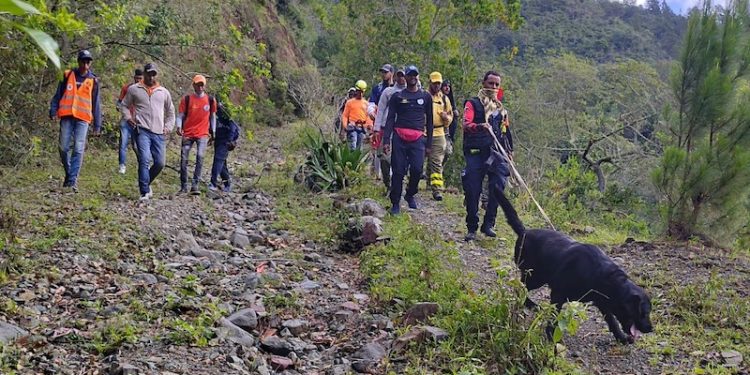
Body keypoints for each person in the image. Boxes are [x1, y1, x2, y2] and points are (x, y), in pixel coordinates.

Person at [462, 70, 513, 241]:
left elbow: (506, 132)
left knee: (498, 187)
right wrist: (480, 126)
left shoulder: (501, 109)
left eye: (497, 84)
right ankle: (471, 227)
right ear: (484, 83)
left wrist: (510, 153)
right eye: (491, 83)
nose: (493, 87)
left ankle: (489, 224)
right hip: (476, 151)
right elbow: (466, 124)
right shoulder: (472, 103)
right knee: (472, 189)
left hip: (497, 153)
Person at [120, 63, 176, 201]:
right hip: (142, 130)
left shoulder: (163, 92)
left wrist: (168, 126)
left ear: (156, 75)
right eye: (149, 73)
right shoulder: (134, 89)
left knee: (160, 163)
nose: (151, 76)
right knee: (144, 159)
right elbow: (124, 105)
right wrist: (128, 118)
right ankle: (144, 191)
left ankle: (146, 182)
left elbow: (171, 112)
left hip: (159, 132)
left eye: (154, 74)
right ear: (144, 74)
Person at [48, 50, 102, 192]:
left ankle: (72, 181)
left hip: (83, 119)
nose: (85, 64)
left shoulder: (93, 81)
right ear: (78, 62)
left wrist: (97, 124)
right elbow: (58, 94)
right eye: (83, 61)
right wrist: (53, 110)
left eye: (88, 62)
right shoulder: (67, 75)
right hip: (66, 116)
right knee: (63, 148)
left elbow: (96, 103)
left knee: (78, 148)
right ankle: (69, 173)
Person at [383, 65, 433, 214]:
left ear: (418, 77)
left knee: (417, 169)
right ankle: (395, 203)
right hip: (399, 137)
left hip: (418, 138)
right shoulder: (397, 96)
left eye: (415, 75)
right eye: (409, 75)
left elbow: (430, 121)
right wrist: (386, 140)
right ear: (405, 77)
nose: (412, 77)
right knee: (398, 171)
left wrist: (429, 144)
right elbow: (390, 119)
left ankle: (410, 194)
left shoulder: (425, 97)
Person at [176, 74, 217, 194]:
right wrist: (178, 126)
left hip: (202, 134)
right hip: (188, 133)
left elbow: (213, 117)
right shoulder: (187, 99)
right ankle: (184, 186)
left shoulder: (210, 100)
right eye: (197, 84)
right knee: (183, 159)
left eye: (201, 85)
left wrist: (213, 132)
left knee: (200, 158)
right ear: (193, 85)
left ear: (204, 86)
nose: (200, 87)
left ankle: (195, 185)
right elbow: (181, 115)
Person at [372, 67, 407, 193]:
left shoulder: (412, 92)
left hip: (403, 130)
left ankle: (398, 186)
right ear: (395, 76)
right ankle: (388, 184)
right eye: (399, 75)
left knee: (400, 160)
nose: (401, 78)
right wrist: (376, 128)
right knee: (384, 159)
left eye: (404, 75)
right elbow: (380, 109)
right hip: (386, 128)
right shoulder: (388, 91)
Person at [426, 72, 453, 201]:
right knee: (417, 161)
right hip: (423, 132)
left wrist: (446, 118)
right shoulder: (423, 96)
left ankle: (437, 190)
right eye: (434, 83)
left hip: (438, 133)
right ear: (430, 82)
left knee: (436, 162)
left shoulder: (444, 99)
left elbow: (450, 117)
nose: (437, 85)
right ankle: (412, 184)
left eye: (439, 83)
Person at [116, 68, 144, 174]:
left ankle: (142, 164)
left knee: (137, 145)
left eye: (140, 78)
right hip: (126, 120)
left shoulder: (146, 90)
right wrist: (119, 107)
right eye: (136, 78)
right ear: (134, 78)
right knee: (123, 143)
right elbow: (119, 102)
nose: (138, 80)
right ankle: (122, 165)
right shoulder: (126, 88)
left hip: (139, 121)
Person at [210, 102, 240, 192]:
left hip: (226, 141)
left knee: (218, 160)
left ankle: (213, 183)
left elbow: (233, 127)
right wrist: (212, 136)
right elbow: (211, 125)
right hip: (218, 139)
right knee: (221, 163)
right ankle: (227, 183)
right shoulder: (213, 112)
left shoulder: (227, 113)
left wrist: (230, 140)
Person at [340, 80, 369, 150]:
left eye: (362, 92)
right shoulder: (349, 103)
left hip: (362, 128)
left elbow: (368, 117)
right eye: (359, 91)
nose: (360, 93)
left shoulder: (366, 103)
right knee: (352, 145)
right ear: (356, 90)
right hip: (352, 127)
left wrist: (369, 127)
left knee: (359, 149)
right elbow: (345, 115)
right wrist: (344, 127)